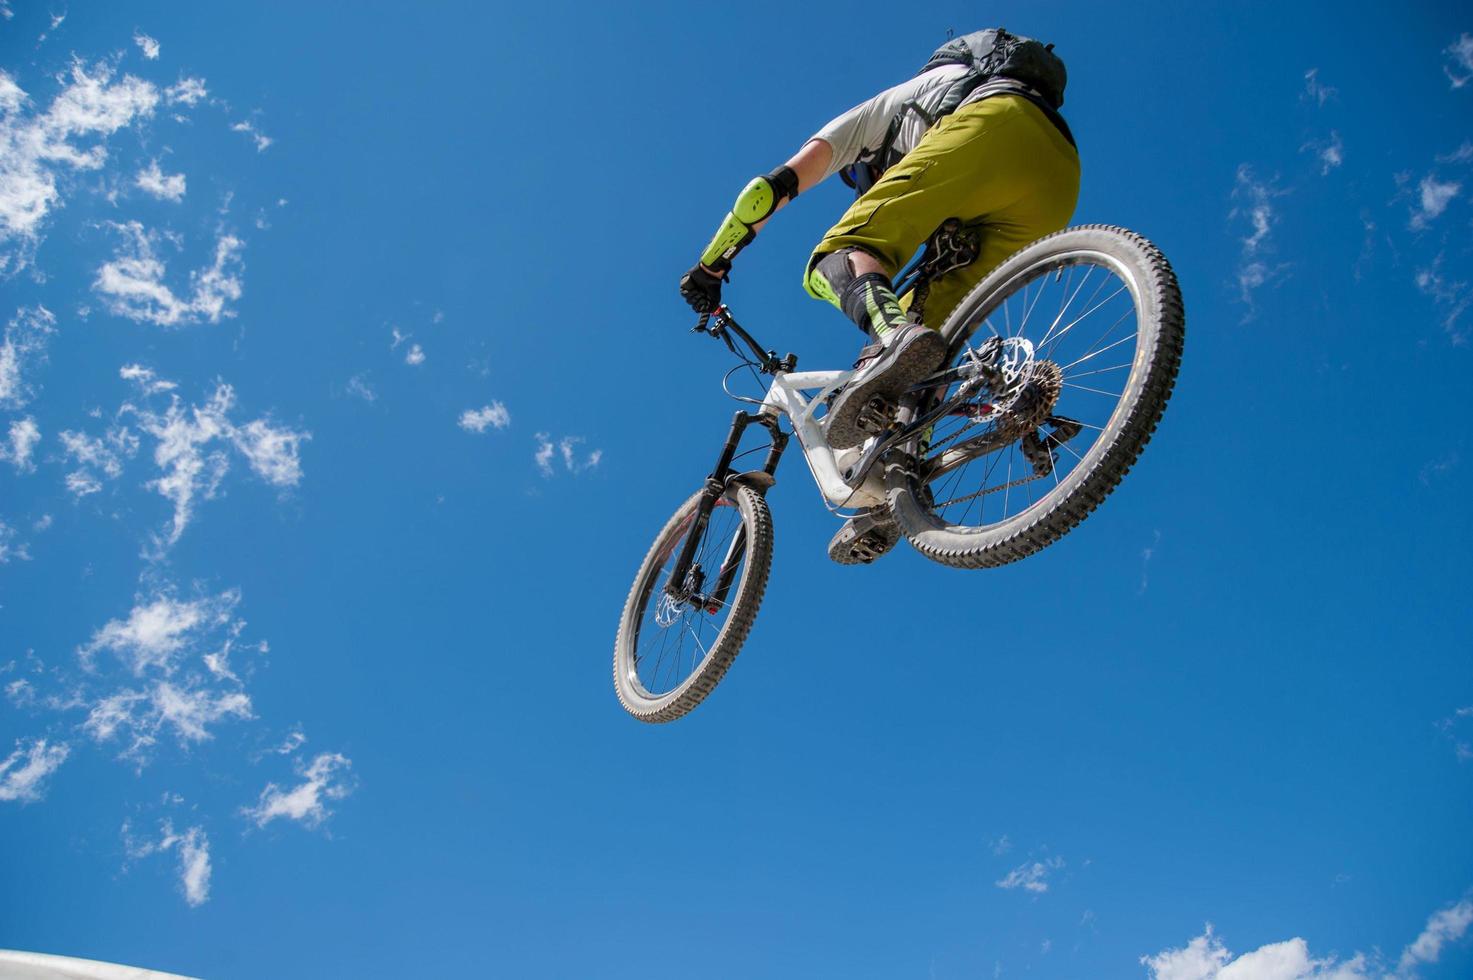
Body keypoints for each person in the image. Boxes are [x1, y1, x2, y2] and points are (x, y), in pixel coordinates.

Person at [680, 28, 1082, 563]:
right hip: (1056, 182)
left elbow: (767, 190)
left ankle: (891, 340)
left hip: (992, 126)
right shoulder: (962, 86)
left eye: (861, 179)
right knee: (923, 337)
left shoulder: (882, 113)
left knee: (836, 258)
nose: (869, 184)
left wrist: (711, 264)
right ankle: (904, 483)